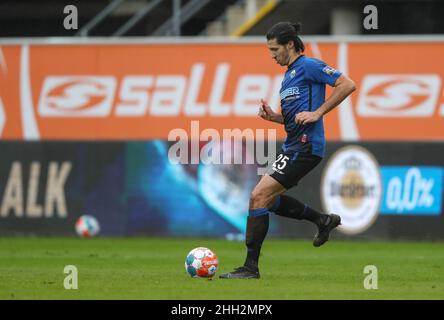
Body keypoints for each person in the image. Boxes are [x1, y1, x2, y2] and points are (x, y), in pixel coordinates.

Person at [219, 22, 356, 279]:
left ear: (290, 44)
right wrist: (274, 118)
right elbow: (296, 117)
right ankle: (323, 220)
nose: (272, 55)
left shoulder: (309, 66)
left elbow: (347, 84)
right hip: (292, 144)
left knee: (257, 197)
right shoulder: (290, 74)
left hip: (305, 146)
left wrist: (318, 113)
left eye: (274, 49)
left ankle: (250, 268)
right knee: (266, 200)